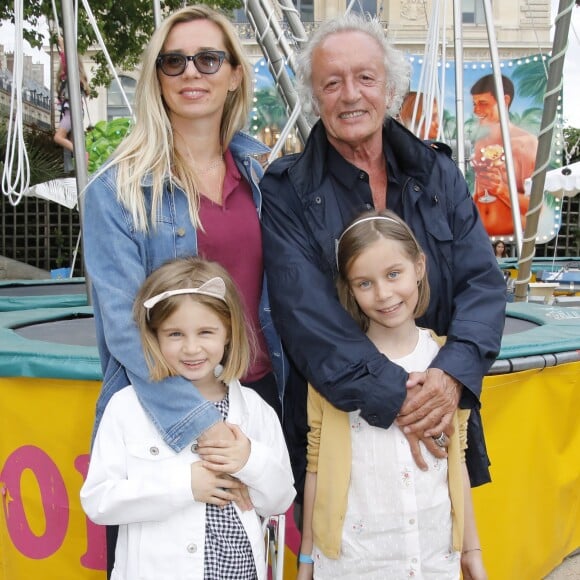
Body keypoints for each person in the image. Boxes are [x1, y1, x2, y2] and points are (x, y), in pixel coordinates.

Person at [259, 13, 506, 507]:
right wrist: (401, 397)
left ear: (389, 88)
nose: (351, 95)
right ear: (314, 97)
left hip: (440, 414)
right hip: (344, 427)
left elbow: (483, 283)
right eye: (332, 82)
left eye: (365, 78)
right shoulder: (286, 190)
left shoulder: (436, 172)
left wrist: (450, 376)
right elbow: (306, 317)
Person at [81, 5, 285, 574]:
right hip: (163, 406)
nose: (191, 73)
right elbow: (127, 326)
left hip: (256, 397)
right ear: (156, 78)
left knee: (244, 556)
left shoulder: (267, 177)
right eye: (174, 62)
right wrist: (201, 425)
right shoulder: (117, 192)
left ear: (235, 73)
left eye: (208, 58)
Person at [297, 210, 486, 579]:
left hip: (432, 555)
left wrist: (472, 550)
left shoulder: (448, 363)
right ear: (349, 289)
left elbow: (457, 456)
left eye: (393, 274)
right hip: (354, 561)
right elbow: (316, 464)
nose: (383, 294)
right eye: (364, 283)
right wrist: (307, 558)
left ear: (419, 266)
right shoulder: (332, 368)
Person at [80, 257, 295, 580]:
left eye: (206, 332)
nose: (192, 348)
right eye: (175, 334)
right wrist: (184, 485)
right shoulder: (126, 407)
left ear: (228, 332)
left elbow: (280, 498)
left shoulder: (254, 409)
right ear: (154, 336)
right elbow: (99, 501)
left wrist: (249, 459)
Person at [470, 74, 537, 236]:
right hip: (475, 237)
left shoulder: (525, 143)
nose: (476, 110)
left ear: (505, 100)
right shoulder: (481, 143)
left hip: (511, 238)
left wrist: (501, 189)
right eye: (474, 104)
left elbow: (536, 206)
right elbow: (479, 194)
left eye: (483, 103)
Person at [53, 34, 90, 155]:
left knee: (58, 137)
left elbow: (67, 62)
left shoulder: (71, 76)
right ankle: (82, 159)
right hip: (73, 113)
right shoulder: (73, 80)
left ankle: (81, 154)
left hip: (71, 113)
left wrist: (63, 46)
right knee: (75, 141)